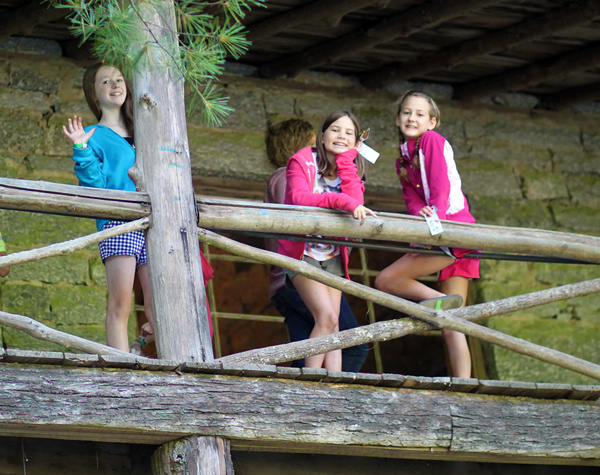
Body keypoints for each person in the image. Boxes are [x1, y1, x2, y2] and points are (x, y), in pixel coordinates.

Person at [374, 90, 480, 378]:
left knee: (387, 279)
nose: (412, 118)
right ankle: (462, 385)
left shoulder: (432, 141)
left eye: (420, 114)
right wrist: (421, 219)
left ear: (432, 122)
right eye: (407, 112)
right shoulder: (403, 160)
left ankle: (441, 303)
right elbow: (413, 201)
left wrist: (435, 231)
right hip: (446, 230)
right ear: (397, 119)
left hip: (450, 230)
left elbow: (441, 188)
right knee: (451, 323)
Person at [62, 63, 155, 352]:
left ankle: (172, 369)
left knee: (160, 307)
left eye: (118, 79)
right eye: (105, 82)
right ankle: (122, 368)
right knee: (121, 303)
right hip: (119, 222)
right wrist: (80, 148)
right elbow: (95, 187)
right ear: (94, 94)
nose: (115, 85)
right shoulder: (92, 135)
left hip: (156, 223)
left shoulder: (147, 129)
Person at [264, 118, 369, 372]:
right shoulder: (288, 175)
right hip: (300, 265)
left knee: (316, 339)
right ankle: (313, 387)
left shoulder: (326, 174)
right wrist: (340, 202)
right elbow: (298, 208)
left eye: (347, 133)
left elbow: (354, 198)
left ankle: (320, 390)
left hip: (319, 262)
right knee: (343, 334)